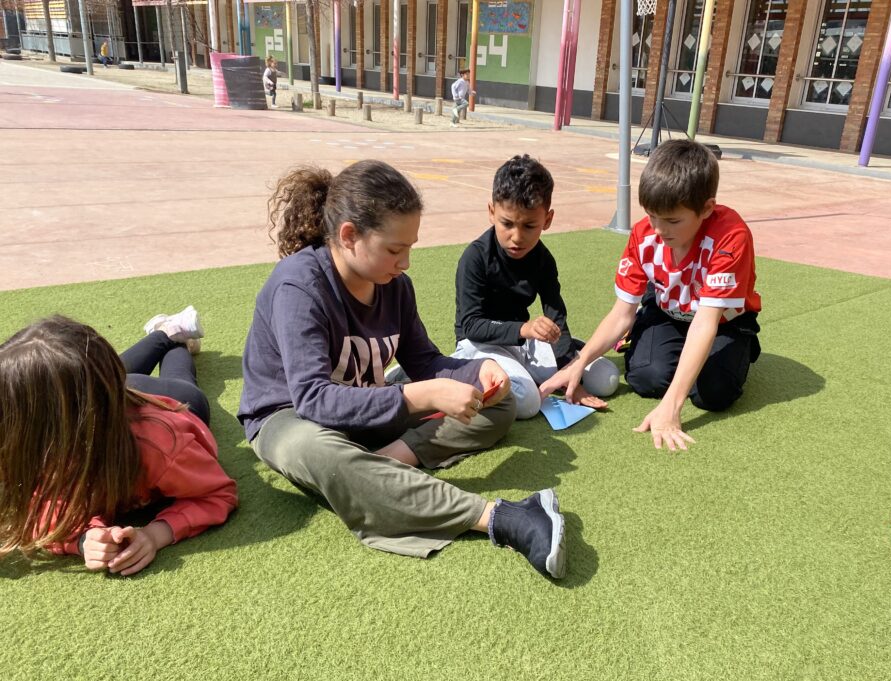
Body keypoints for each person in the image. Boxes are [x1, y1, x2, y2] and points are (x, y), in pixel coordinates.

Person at [237, 160, 568, 579]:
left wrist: (479, 372)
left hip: (368, 402)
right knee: (320, 453)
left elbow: (425, 362)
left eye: (410, 247)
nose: (406, 262)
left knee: (500, 404)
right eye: (395, 250)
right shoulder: (299, 286)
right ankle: (503, 517)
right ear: (349, 236)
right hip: (289, 418)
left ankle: (383, 463)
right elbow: (313, 400)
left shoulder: (395, 287)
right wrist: (420, 395)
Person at [541, 139, 762, 451]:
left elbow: (705, 322)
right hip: (668, 312)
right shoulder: (644, 233)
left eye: (672, 220)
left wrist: (671, 407)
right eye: (652, 215)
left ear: (706, 209)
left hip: (723, 322)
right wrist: (578, 362)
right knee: (647, 378)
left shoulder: (730, 236)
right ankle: (668, 351)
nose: (659, 229)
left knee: (713, 393)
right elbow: (622, 313)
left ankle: (738, 351)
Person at [0, 312, 238, 576]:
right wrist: (83, 539)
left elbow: (217, 493)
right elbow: (38, 507)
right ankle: (165, 331)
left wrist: (154, 534)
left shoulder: (161, 446)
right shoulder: (33, 440)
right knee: (96, 374)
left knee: (180, 375)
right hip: (113, 394)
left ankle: (174, 335)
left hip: (175, 401)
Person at [452, 154, 619, 419]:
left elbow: (556, 315)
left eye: (529, 225)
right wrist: (525, 329)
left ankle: (530, 371)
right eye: (507, 223)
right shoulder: (475, 257)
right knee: (528, 403)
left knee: (606, 379)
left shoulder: (543, 259)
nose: (517, 237)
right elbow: (471, 325)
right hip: (480, 345)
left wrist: (569, 373)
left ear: (547, 220)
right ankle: (452, 371)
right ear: (492, 212)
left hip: (524, 343)